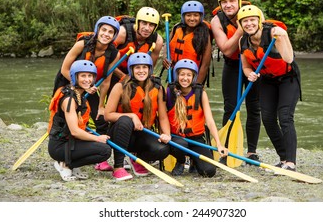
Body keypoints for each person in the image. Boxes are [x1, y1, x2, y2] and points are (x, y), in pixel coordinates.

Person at [237, 5, 301, 171]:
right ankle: (283, 158)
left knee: (285, 116)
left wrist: (283, 36)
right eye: (245, 21)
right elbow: (246, 67)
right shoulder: (243, 41)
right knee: (268, 118)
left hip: (288, 78)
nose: (249, 24)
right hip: (267, 80)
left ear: (259, 21)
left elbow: (288, 58)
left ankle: (291, 163)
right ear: (241, 24)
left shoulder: (272, 33)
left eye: (252, 20)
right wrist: (250, 74)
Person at [210, 0, 262, 162]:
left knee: (254, 107)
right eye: (224, 2)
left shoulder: (251, 14)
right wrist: (241, 28)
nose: (228, 5)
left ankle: (251, 151)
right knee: (230, 107)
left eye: (232, 1)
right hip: (232, 65)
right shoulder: (217, 21)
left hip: (251, 64)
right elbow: (225, 49)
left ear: (239, 1)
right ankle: (227, 148)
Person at [104, 52, 171, 181]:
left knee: (163, 149)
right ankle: (118, 166)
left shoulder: (157, 88)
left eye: (144, 67)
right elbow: (108, 115)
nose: (141, 71)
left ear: (150, 69)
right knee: (125, 120)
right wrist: (132, 116)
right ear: (131, 69)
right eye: (137, 68)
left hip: (142, 133)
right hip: (119, 132)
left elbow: (162, 117)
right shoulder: (120, 86)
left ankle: (136, 158)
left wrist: (166, 134)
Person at [53, 16, 120, 136]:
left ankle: (101, 148)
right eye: (103, 30)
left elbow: (105, 82)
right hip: (68, 83)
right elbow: (64, 69)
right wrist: (81, 86)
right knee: (68, 117)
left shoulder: (115, 54)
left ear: (114, 35)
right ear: (97, 30)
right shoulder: (82, 44)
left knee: (101, 121)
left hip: (88, 86)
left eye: (111, 32)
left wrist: (101, 106)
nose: (106, 34)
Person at [48, 60, 111, 181]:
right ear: (74, 77)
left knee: (103, 147)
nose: (87, 79)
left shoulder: (79, 94)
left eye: (90, 76)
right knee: (105, 151)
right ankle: (65, 164)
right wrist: (97, 138)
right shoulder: (69, 100)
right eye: (83, 76)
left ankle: (72, 164)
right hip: (60, 146)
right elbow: (75, 132)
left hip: (70, 142)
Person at [166, 59, 228, 177]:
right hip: (177, 139)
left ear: (193, 77)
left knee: (208, 171)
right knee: (181, 145)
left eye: (189, 75)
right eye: (182, 74)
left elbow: (209, 120)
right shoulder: (169, 92)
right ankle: (181, 161)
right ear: (177, 75)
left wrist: (219, 144)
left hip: (196, 138)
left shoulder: (200, 93)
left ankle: (194, 161)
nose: (185, 78)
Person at [162, 0, 212, 85]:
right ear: (183, 16)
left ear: (201, 16)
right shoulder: (176, 28)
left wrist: (197, 86)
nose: (192, 19)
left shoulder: (204, 34)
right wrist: (165, 58)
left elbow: (205, 65)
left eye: (196, 15)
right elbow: (167, 47)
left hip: (193, 76)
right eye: (188, 15)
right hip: (175, 74)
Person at [112, 7, 163, 83]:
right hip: (115, 70)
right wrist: (124, 77)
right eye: (144, 23)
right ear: (138, 22)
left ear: (155, 27)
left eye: (151, 25)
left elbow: (150, 68)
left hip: (138, 73)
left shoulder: (157, 41)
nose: (147, 28)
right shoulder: (122, 33)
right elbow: (107, 60)